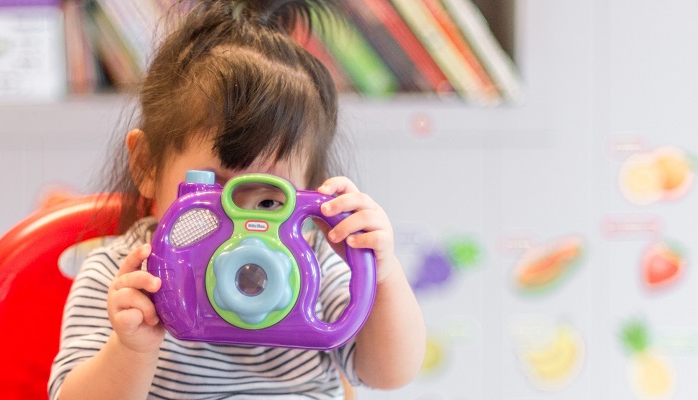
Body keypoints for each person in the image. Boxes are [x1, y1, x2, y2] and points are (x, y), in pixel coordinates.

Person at [49, 0, 425, 398]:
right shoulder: (123, 276)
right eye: (213, 190)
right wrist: (130, 348)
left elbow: (388, 374)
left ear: (309, 195)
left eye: (270, 202)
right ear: (147, 166)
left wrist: (383, 274)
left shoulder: (311, 263)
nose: (242, 226)